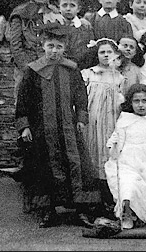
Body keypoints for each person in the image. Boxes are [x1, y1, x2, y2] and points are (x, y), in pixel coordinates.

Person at [14, 23, 100, 228]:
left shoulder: (71, 69)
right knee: (45, 166)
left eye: (59, 47)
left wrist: (81, 118)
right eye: (50, 46)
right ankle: (48, 211)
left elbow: (81, 96)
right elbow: (23, 100)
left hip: (68, 126)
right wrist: (24, 126)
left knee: (77, 165)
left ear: (65, 48)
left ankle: (80, 210)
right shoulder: (33, 71)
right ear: (43, 45)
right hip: (42, 127)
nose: (54, 51)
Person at [104, 84, 146, 229]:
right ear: (130, 103)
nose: (140, 105)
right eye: (136, 101)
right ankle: (125, 212)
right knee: (128, 185)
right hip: (127, 162)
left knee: (142, 191)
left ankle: (136, 212)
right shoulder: (124, 121)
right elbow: (113, 148)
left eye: (144, 101)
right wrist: (113, 145)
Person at [80, 38, 126, 210]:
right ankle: (91, 196)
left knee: (108, 150)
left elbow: (122, 100)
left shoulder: (119, 77)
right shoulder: (89, 73)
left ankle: (108, 195)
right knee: (93, 148)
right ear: (97, 54)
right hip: (93, 117)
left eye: (110, 52)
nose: (106, 55)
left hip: (112, 118)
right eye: (102, 52)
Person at [8, 0, 67, 99]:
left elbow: (60, 40)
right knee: (24, 104)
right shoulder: (20, 13)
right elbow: (15, 44)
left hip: (49, 67)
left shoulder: (55, 14)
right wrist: (26, 67)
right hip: (26, 67)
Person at [58, 0, 94, 66]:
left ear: (78, 9)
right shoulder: (54, 25)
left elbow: (89, 49)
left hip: (80, 66)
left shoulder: (85, 27)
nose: (68, 9)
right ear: (59, 7)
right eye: (64, 5)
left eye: (72, 5)